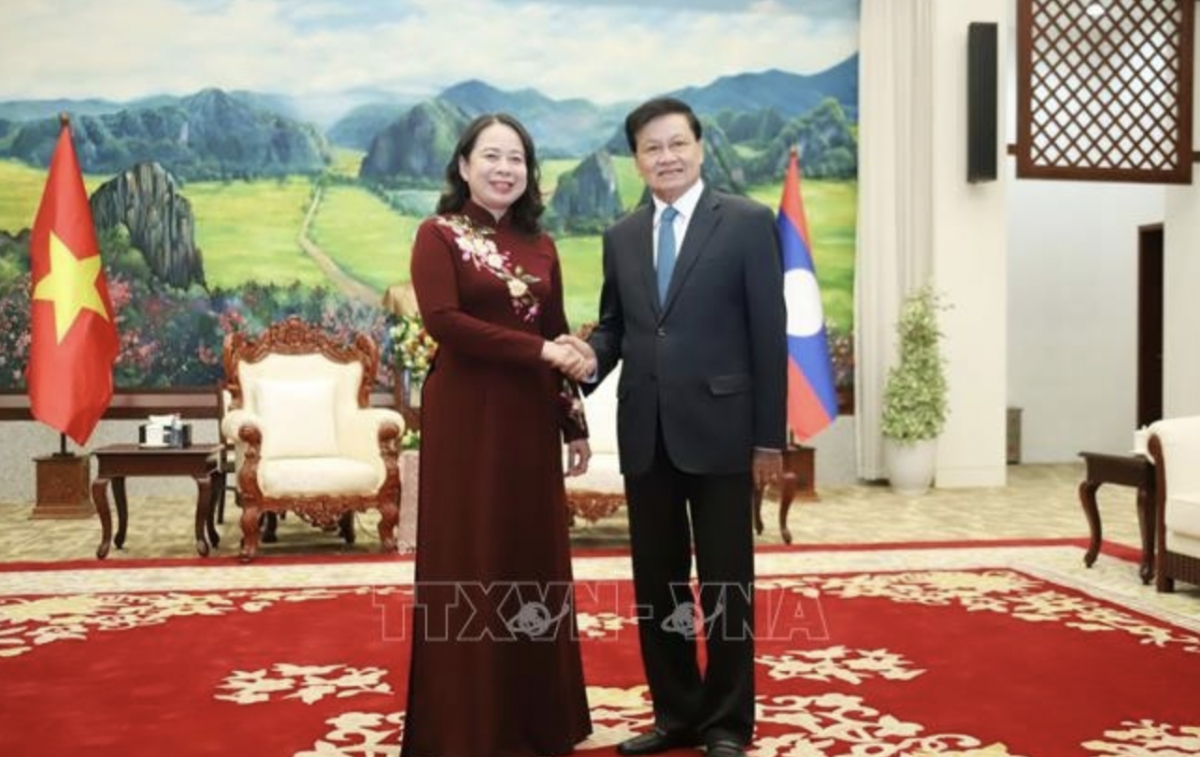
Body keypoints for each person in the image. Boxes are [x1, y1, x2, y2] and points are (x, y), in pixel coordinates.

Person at [560, 97, 787, 757]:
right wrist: (586, 357)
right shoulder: (621, 235)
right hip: (646, 432)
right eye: (651, 148)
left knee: (725, 584)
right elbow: (617, 329)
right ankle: (676, 714)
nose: (666, 156)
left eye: (676, 143)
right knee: (658, 581)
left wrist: (768, 438)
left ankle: (726, 723)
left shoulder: (746, 223)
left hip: (722, 430)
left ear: (699, 147)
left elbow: (768, 338)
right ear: (636, 159)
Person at [402, 113, 594, 757]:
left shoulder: (542, 245)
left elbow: (559, 331)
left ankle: (536, 723)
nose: (505, 168)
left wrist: (572, 423)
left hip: (528, 419)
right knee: (472, 555)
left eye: (517, 158)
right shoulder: (439, 235)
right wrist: (542, 356)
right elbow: (445, 323)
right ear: (463, 165)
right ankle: (464, 726)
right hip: (466, 417)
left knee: (528, 555)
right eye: (492, 156)